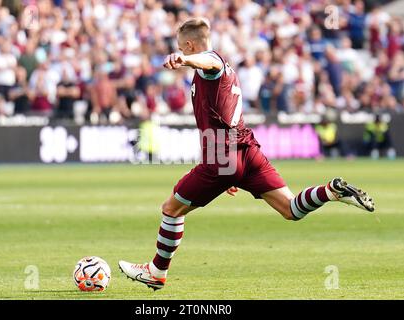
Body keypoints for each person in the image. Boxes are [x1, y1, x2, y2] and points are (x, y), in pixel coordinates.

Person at [118, 18, 375, 291]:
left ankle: (156, 272)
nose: (181, 50)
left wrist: (183, 58)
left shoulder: (211, 64)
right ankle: (330, 192)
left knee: (171, 210)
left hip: (221, 155)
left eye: (182, 46)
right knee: (290, 209)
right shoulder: (225, 70)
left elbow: (208, 61)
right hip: (246, 151)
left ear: (190, 45)